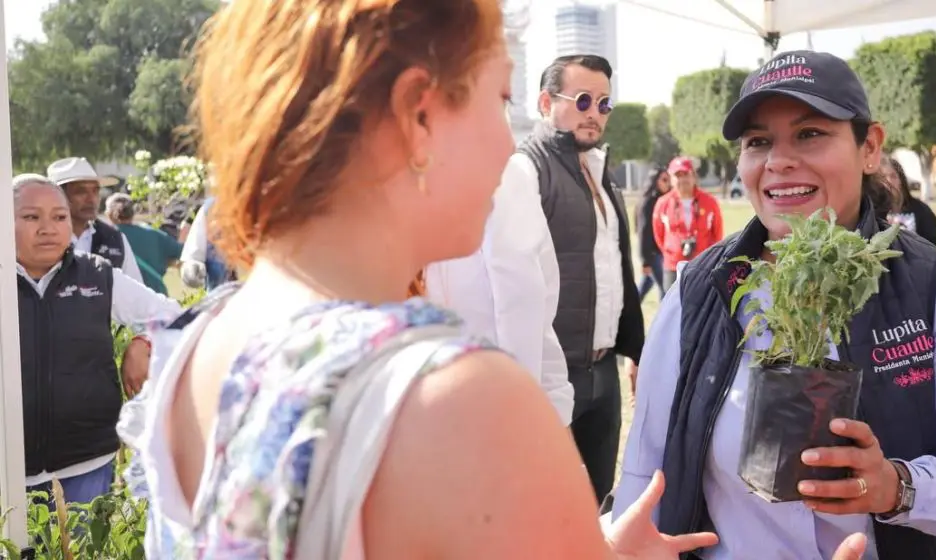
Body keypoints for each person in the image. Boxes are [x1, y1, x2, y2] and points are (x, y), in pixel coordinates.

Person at [113, 2, 735, 558]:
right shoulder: (454, 394)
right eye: (498, 101)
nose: (507, 144)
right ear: (418, 115)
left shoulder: (196, 343)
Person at [614, 50, 936, 559]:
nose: (779, 161)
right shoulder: (699, 289)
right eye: (759, 142)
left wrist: (897, 487)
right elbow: (645, 469)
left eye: (810, 134)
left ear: (869, 147)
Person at [517, 54, 646, 502]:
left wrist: (634, 347)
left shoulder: (598, 169)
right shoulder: (526, 170)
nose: (595, 113)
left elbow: (615, 267)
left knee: (598, 500)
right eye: (584, 100)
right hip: (552, 374)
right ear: (545, 102)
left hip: (603, 370)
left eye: (605, 103)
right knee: (553, 507)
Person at [15, 175, 180, 505]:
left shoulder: (98, 275)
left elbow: (174, 315)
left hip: (85, 465)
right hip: (9, 468)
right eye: (31, 217)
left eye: (60, 217)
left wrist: (144, 343)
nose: (48, 228)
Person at [424, 154, 574, 424]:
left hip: (516, 426)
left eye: (505, 108)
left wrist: (554, 423)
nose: (508, 138)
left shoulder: (513, 178)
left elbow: (541, 326)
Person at [47, 157, 145, 283]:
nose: (91, 199)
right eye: (81, 191)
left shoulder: (114, 238)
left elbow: (135, 291)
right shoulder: (42, 237)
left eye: (95, 190)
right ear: (59, 195)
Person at [651, 156, 725, 291]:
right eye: (677, 175)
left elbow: (717, 233)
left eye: (686, 174)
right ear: (671, 179)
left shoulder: (709, 202)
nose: (682, 179)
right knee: (673, 308)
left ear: (694, 176)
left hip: (702, 265)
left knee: (701, 308)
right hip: (673, 266)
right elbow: (658, 235)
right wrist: (672, 251)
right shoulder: (663, 203)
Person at [105, 193, 185, 296]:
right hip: (156, 296)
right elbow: (182, 252)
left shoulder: (104, 238)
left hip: (123, 299)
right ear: (133, 213)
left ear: (109, 214)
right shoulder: (154, 234)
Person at [881, 158, 936, 247]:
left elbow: (935, 248)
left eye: (893, 176)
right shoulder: (871, 210)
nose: (889, 181)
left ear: (901, 180)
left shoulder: (921, 209)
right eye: (883, 177)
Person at [636, 166, 670, 300]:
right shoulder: (648, 202)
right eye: (664, 179)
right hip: (653, 254)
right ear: (655, 181)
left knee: (644, 288)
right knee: (666, 290)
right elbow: (643, 232)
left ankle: (627, 315)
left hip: (662, 252)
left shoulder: (667, 200)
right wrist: (645, 261)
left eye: (669, 179)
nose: (668, 183)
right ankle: (665, 321)